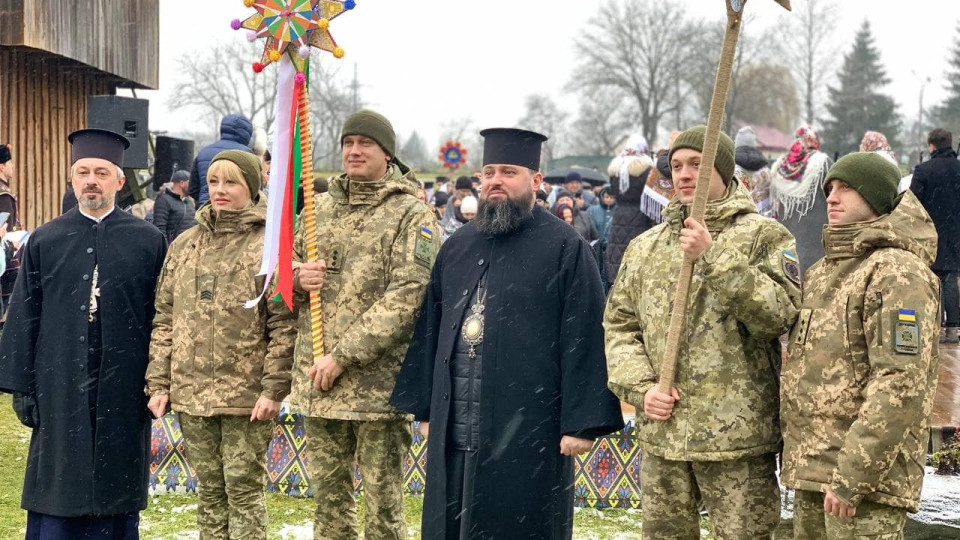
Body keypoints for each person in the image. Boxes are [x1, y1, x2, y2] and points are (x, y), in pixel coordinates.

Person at [390, 127, 623, 540]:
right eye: (489, 171)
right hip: (456, 423)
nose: (495, 180)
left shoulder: (565, 247)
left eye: (509, 172)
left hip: (529, 427)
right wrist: (426, 407)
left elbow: (584, 335)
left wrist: (582, 423)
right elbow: (431, 327)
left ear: (536, 181)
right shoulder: (457, 245)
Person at [604, 126, 801, 539]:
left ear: (724, 171)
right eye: (677, 166)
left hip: (737, 438)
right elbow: (620, 326)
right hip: (665, 435)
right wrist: (642, 389)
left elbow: (779, 315)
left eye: (697, 163)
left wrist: (714, 258)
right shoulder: (646, 247)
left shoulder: (764, 235)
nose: (685, 174)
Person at [0, 128, 167, 539]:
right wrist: (22, 386)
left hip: (124, 384)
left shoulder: (149, 241)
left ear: (119, 180)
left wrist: (160, 380)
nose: (92, 180)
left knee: (115, 485)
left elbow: (163, 317)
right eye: (83, 172)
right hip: (58, 381)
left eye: (101, 172)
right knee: (59, 482)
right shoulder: (46, 239)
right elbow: (24, 313)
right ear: (72, 179)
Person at [290, 109, 440, 540]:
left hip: (378, 389)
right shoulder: (318, 209)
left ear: (386, 153)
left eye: (365, 144)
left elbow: (408, 295)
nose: (354, 151)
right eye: (348, 143)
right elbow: (285, 279)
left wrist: (343, 356)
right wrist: (300, 278)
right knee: (329, 504)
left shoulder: (411, 215)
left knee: (382, 507)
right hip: (319, 383)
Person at [781, 152, 941, 539]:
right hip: (814, 472)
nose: (832, 197)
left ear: (878, 196)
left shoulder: (897, 271)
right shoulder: (822, 272)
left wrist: (854, 476)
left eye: (847, 188)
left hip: (863, 483)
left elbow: (900, 384)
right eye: (829, 189)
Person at [146, 150, 295, 540]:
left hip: (246, 398)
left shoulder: (271, 246)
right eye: (214, 182)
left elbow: (284, 325)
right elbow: (165, 318)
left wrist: (274, 389)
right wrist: (159, 382)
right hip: (192, 392)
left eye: (231, 182)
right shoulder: (184, 245)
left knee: (244, 494)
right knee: (210, 493)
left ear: (251, 186)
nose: (220, 190)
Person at [911, 128, 960, 344]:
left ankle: (935, 326)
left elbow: (912, 202)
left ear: (931, 146)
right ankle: (953, 328)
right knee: (950, 277)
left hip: (930, 231)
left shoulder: (923, 170)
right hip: (956, 230)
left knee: (933, 278)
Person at [771, 125, 832, 274]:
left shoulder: (780, 165)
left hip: (785, 237)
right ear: (814, 140)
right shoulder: (822, 163)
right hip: (814, 237)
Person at [605, 136, 659, 286]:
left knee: (618, 256)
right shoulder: (647, 168)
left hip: (619, 215)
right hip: (640, 215)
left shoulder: (615, 168)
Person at [190, 113, 254, 206]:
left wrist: (206, 198)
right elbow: (255, 189)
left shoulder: (203, 152)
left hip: (205, 210)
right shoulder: (248, 155)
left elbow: (193, 189)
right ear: (247, 133)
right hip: (236, 211)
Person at [0, 143, 21, 318]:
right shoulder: (4, 195)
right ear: (1, 166)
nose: (13, 166)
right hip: (7, 265)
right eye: (10, 162)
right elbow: (8, 229)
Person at [734, 126, 773, 214]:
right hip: (762, 219)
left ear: (737, 143)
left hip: (737, 219)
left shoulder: (731, 168)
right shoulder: (766, 171)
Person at [152, 170, 196, 244]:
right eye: (190, 183)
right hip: (173, 249)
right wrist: (166, 250)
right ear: (182, 183)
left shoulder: (189, 202)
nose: (192, 186)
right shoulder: (164, 200)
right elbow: (160, 228)